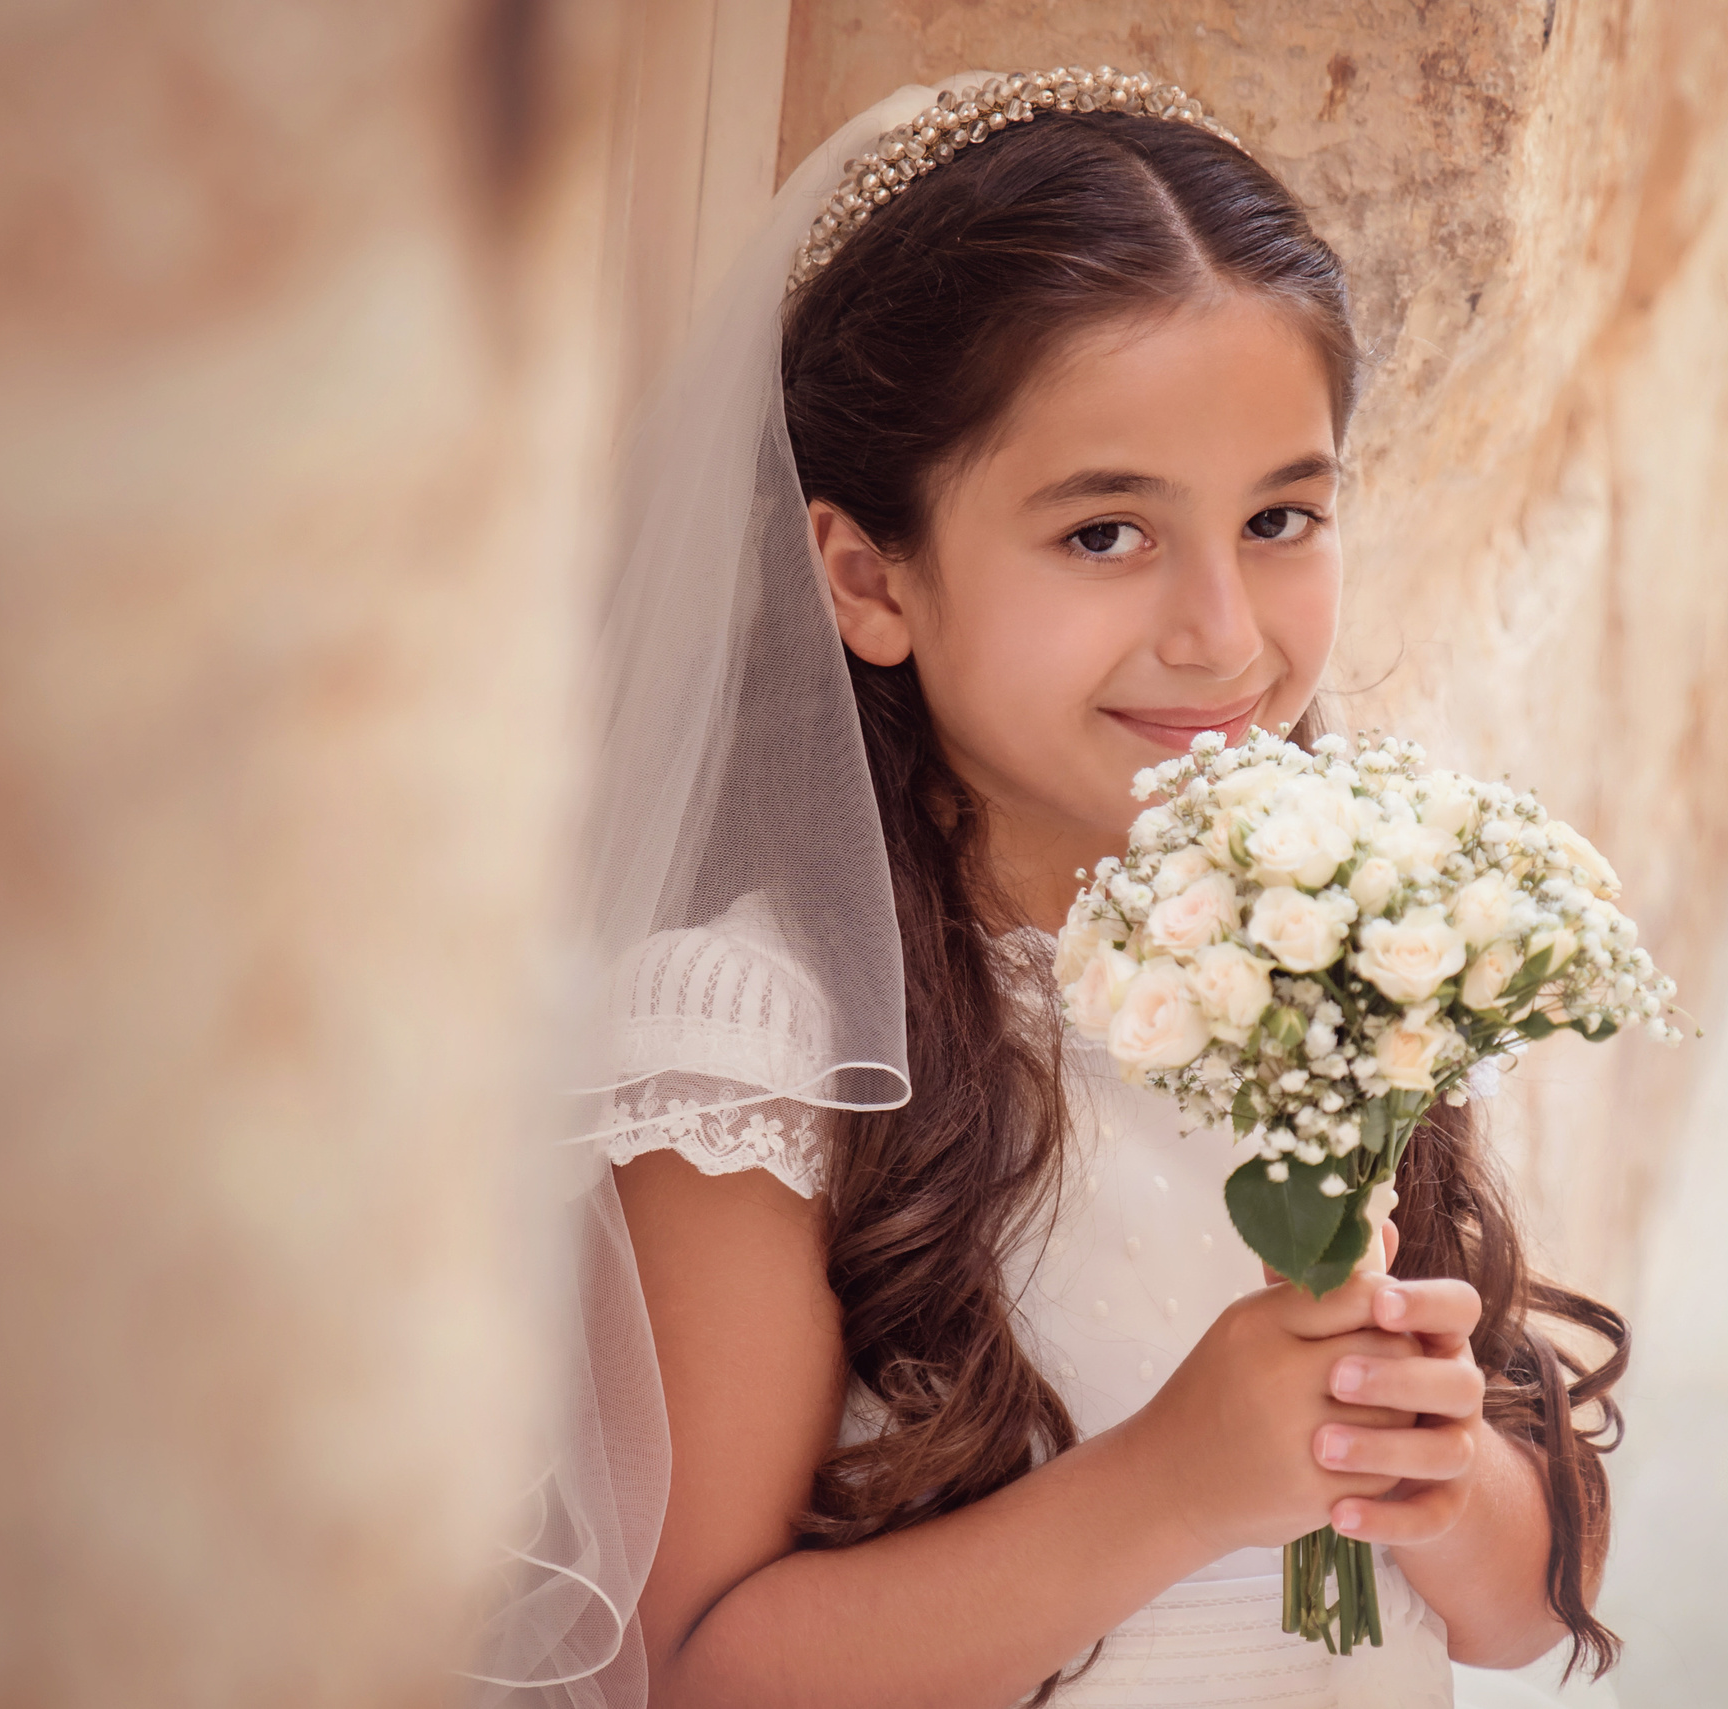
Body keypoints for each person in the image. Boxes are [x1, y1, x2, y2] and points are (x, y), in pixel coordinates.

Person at [472, 67, 1627, 1709]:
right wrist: (1175, 1482)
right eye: (1105, 535)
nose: (1221, 633)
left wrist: (1431, 1475)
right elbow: (687, 1674)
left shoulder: (1343, 931)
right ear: (868, 577)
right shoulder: (758, 1034)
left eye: (1282, 514)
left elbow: (1518, 1612)